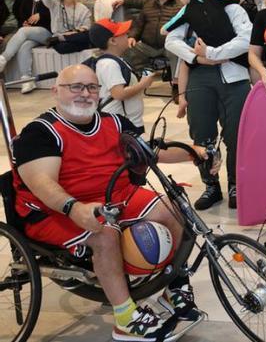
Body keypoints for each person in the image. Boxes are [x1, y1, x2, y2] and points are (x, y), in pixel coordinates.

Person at [11, 65, 215, 341]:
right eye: (76, 87)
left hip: (114, 197)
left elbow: (152, 150)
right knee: (104, 232)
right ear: (55, 91)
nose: (85, 94)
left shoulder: (114, 123)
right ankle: (125, 319)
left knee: (174, 207)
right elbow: (43, 185)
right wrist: (74, 208)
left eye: (92, 87)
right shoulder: (41, 133)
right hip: (54, 210)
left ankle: (174, 287)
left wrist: (196, 153)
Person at [165, 0, 252, 210]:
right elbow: (171, 39)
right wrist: (197, 58)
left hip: (234, 78)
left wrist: (214, 53)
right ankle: (211, 185)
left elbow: (246, 39)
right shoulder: (191, 9)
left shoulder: (233, 8)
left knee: (236, 135)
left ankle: (236, 184)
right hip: (200, 77)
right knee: (201, 134)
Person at [88, 18, 154, 133]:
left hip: (127, 121)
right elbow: (119, 94)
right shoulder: (109, 64)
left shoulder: (116, 61)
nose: (127, 36)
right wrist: (143, 84)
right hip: (121, 124)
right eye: (123, 34)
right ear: (113, 41)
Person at [0, 0, 52, 93]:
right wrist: (25, 23)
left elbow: (58, 11)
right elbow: (22, 15)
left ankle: (3, 59)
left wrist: (42, 14)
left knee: (23, 31)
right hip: (33, 34)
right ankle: (27, 80)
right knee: (24, 46)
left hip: (50, 33)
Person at [123, 0, 182, 75]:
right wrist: (132, 37)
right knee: (126, 48)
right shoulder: (148, 4)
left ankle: (177, 83)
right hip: (147, 45)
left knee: (178, 53)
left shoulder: (180, 7)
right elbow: (138, 25)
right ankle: (142, 75)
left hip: (168, 46)